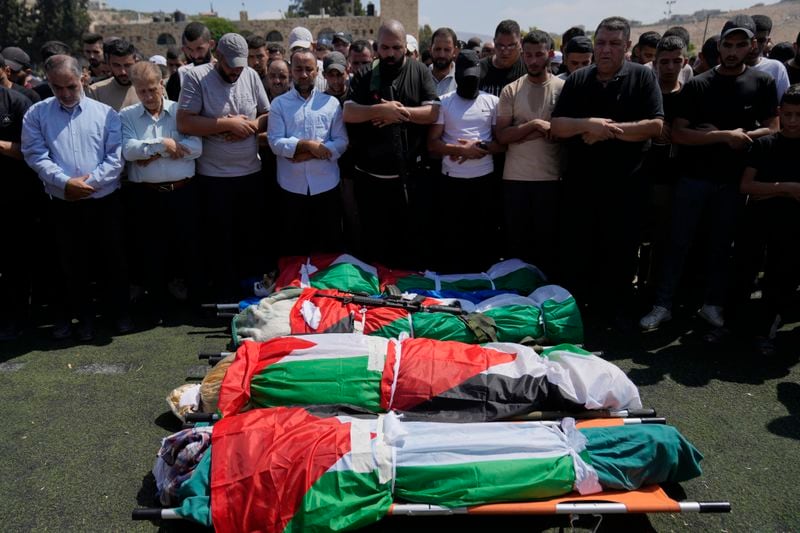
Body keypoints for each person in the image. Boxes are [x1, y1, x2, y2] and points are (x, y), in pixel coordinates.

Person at [639, 16, 779, 331]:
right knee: (678, 244)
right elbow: (680, 134)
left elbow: (774, 127)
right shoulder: (699, 84)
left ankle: (712, 305)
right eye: (727, 45)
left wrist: (741, 136)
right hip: (693, 179)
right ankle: (663, 305)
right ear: (719, 46)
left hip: (732, 182)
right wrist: (722, 137)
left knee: (720, 246)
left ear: (751, 46)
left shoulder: (762, 82)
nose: (732, 51)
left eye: (740, 45)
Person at [550, 16, 664, 325]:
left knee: (620, 254)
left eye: (614, 44)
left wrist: (608, 131)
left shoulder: (642, 77)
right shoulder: (578, 80)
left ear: (628, 47)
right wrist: (588, 124)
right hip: (581, 187)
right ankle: (580, 314)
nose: (606, 50)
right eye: (601, 42)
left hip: (625, 188)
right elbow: (558, 126)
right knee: (579, 252)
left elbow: (654, 125)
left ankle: (614, 316)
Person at [22, 55, 131, 341]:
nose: (66, 94)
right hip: (63, 204)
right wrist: (65, 183)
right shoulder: (36, 114)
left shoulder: (106, 113)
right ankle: (83, 319)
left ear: (83, 77)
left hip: (104, 201)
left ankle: (117, 314)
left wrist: (89, 184)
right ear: (49, 83)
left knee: (113, 261)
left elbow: (116, 156)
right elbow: (35, 155)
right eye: (58, 88)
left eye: (71, 86)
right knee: (71, 265)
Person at [177, 33, 269, 302]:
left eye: (239, 66)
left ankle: (250, 294)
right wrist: (226, 124)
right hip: (214, 179)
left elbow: (268, 114)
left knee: (250, 239)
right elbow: (185, 122)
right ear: (216, 55)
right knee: (220, 242)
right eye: (230, 66)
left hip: (250, 174)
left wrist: (251, 126)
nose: (235, 72)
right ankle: (224, 295)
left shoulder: (250, 75)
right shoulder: (196, 77)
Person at [343, 19, 439, 268]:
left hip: (410, 179)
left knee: (408, 247)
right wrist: (379, 110)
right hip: (371, 180)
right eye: (385, 48)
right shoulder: (366, 73)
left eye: (396, 48)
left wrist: (399, 113)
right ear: (377, 48)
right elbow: (349, 112)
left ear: (405, 46)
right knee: (374, 248)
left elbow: (432, 112)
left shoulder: (419, 71)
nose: (390, 54)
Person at [120, 61, 202, 323]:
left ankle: (194, 305)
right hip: (146, 196)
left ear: (162, 85)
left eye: (152, 89)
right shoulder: (127, 116)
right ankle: (157, 306)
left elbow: (196, 148)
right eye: (141, 91)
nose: (147, 96)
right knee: (151, 251)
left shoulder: (181, 112)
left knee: (189, 249)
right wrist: (165, 144)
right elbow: (128, 151)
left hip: (183, 192)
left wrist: (151, 151)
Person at [728, 84, 800, 355]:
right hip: (757, 222)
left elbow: (758, 188)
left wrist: (768, 189)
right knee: (743, 271)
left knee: (781, 277)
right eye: (788, 114)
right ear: (780, 112)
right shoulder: (765, 144)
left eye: (798, 115)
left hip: (792, 227)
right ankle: (732, 326)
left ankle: (765, 330)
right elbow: (747, 186)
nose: (792, 121)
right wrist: (788, 188)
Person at [495, 30, 564, 276]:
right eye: (529, 55)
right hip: (515, 180)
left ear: (550, 54)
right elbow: (502, 136)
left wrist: (520, 131)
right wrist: (536, 126)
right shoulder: (511, 90)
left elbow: (562, 133)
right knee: (517, 250)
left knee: (547, 249)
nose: (533, 61)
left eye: (539, 55)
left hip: (550, 180)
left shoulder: (562, 88)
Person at [268, 48, 348, 257]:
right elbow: (275, 142)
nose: (303, 74)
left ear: (317, 72)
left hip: (326, 188)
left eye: (308, 69)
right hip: (291, 189)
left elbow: (341, 141)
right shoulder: (279, 104)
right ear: (292, 71)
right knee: (295, 249)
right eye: (298, 69)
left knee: (328, 248)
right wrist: (310, 145)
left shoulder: (331, 104)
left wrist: (310, 153)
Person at [427, 49, 501, 271]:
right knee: (453, 239)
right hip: (452, 182)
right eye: (465, 77)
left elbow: (502, 143)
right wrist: (458, 150)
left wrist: (479, 148)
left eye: (473, 77)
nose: (470, 82)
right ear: (457, 75)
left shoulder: (493, 102)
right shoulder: (444, 102)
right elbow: (432, 143)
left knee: (482, 239)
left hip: (484, 182)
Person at [638, 36, 688, 292]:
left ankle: (654, 290)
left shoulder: (690, 95)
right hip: (639, 176)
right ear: (654, 63)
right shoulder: (644, 92)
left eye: (676, 61)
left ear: (685, 62)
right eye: (664, 62)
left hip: (672, 179)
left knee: (663, 239)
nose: (670, 67)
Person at [0, 85, 34, 340]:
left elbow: (29, 150)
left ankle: (18, 320)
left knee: (15, 263)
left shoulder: (17, 102)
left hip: (13, 198)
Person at [166, 22, 215, 102]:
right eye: (190, 49)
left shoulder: (224, 71)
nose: (195, 55)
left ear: (211, 44)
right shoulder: (180, 75)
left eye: (199, 49)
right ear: (184, 49)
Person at [747, 15, 791, 101]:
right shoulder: (729, 68)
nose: (755, 46)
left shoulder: (776, 68)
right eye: (751, 40)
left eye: (761, 41)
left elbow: (786, 105)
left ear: (767, 41)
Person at [88, 38, 139, 111]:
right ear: (108, 64)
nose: (123, 72)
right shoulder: (96, 92)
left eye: (127, 65)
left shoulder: (150, 88)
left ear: (136, 62)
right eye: (117, 65)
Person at [479, 19, 526, 97]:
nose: (505, 52)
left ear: (520, 42)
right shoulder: (479, 69)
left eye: (511, 46)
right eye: (500, 45)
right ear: (494, 42)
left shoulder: (528, 70)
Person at [430, 27, 459, 96]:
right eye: (437, 49)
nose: (441, 55)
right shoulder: (420, 78)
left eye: (447, 50)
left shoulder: (461, 81)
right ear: (430, 49)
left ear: (454, 51)